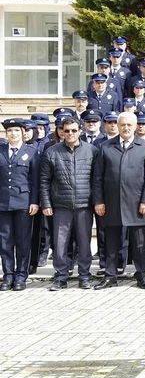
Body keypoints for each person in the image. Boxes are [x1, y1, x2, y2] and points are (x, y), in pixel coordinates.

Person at [91, 112, 145, 290]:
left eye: (129, 125)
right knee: (110, 242)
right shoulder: (106, 147)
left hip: (136, 204)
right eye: (123, 125)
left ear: (135, 127)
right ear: (117, 127)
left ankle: (142, 275)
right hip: (111, 203)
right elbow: (98, 178)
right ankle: (110, 276)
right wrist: (99, 201)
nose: (126, 128)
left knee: (140, 242)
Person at [39, 117, 99, 291]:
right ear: (61, 132)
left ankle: (85, 276)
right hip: (61, 206)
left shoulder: (92, 151)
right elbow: (44, 181)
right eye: (67, 131)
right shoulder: (52, 152)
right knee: (60, 243)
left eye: (74, 130)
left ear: (80, 131)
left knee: (84, 243)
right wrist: (46, 203)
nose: (70, 134)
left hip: (84, 206)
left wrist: (96, 202)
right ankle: (61, 276)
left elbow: (96, 180)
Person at [0, 119, 39, 292]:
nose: (13, 134)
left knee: (23, 241)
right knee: (4, 241)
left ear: (23, 132)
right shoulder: (1, 151)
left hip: (23, 203)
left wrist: (34, 201)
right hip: (3, 203)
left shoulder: (31, 151)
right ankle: (8, 275)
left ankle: (21, 275)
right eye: (9, 131)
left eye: (16, 130)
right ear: (6, 134)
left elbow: (36, 181)